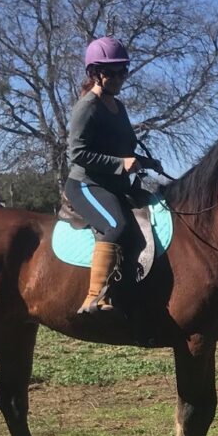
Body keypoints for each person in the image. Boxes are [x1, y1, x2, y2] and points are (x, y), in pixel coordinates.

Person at [64, 36, 162, 315]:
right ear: (95, 73)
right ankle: (94, 297)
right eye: (112, 71)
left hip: (115, 185)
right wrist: (121, 164)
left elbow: (123, 149)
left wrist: (146, 162)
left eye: (123, 71)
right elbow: (78, 155)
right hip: (86, 184)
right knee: (116, 226)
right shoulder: (87, 107)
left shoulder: (118, 108)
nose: (119, 77)